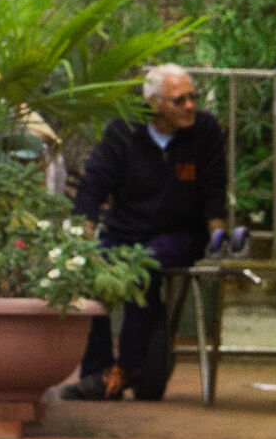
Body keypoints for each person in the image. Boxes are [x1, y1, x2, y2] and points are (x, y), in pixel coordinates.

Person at [63, 63, 230, 400]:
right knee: (90, 273)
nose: (190, 106)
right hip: (125, 230)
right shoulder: (123, 131)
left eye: (192, 97)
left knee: (144, 265)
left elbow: (215, 188)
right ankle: (97, 371)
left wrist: (217, 235)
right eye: (179, 100)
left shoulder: (206, 130)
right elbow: (93, 184)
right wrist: (83, 236)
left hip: (180, 233)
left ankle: (129, 368)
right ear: (154, 104)